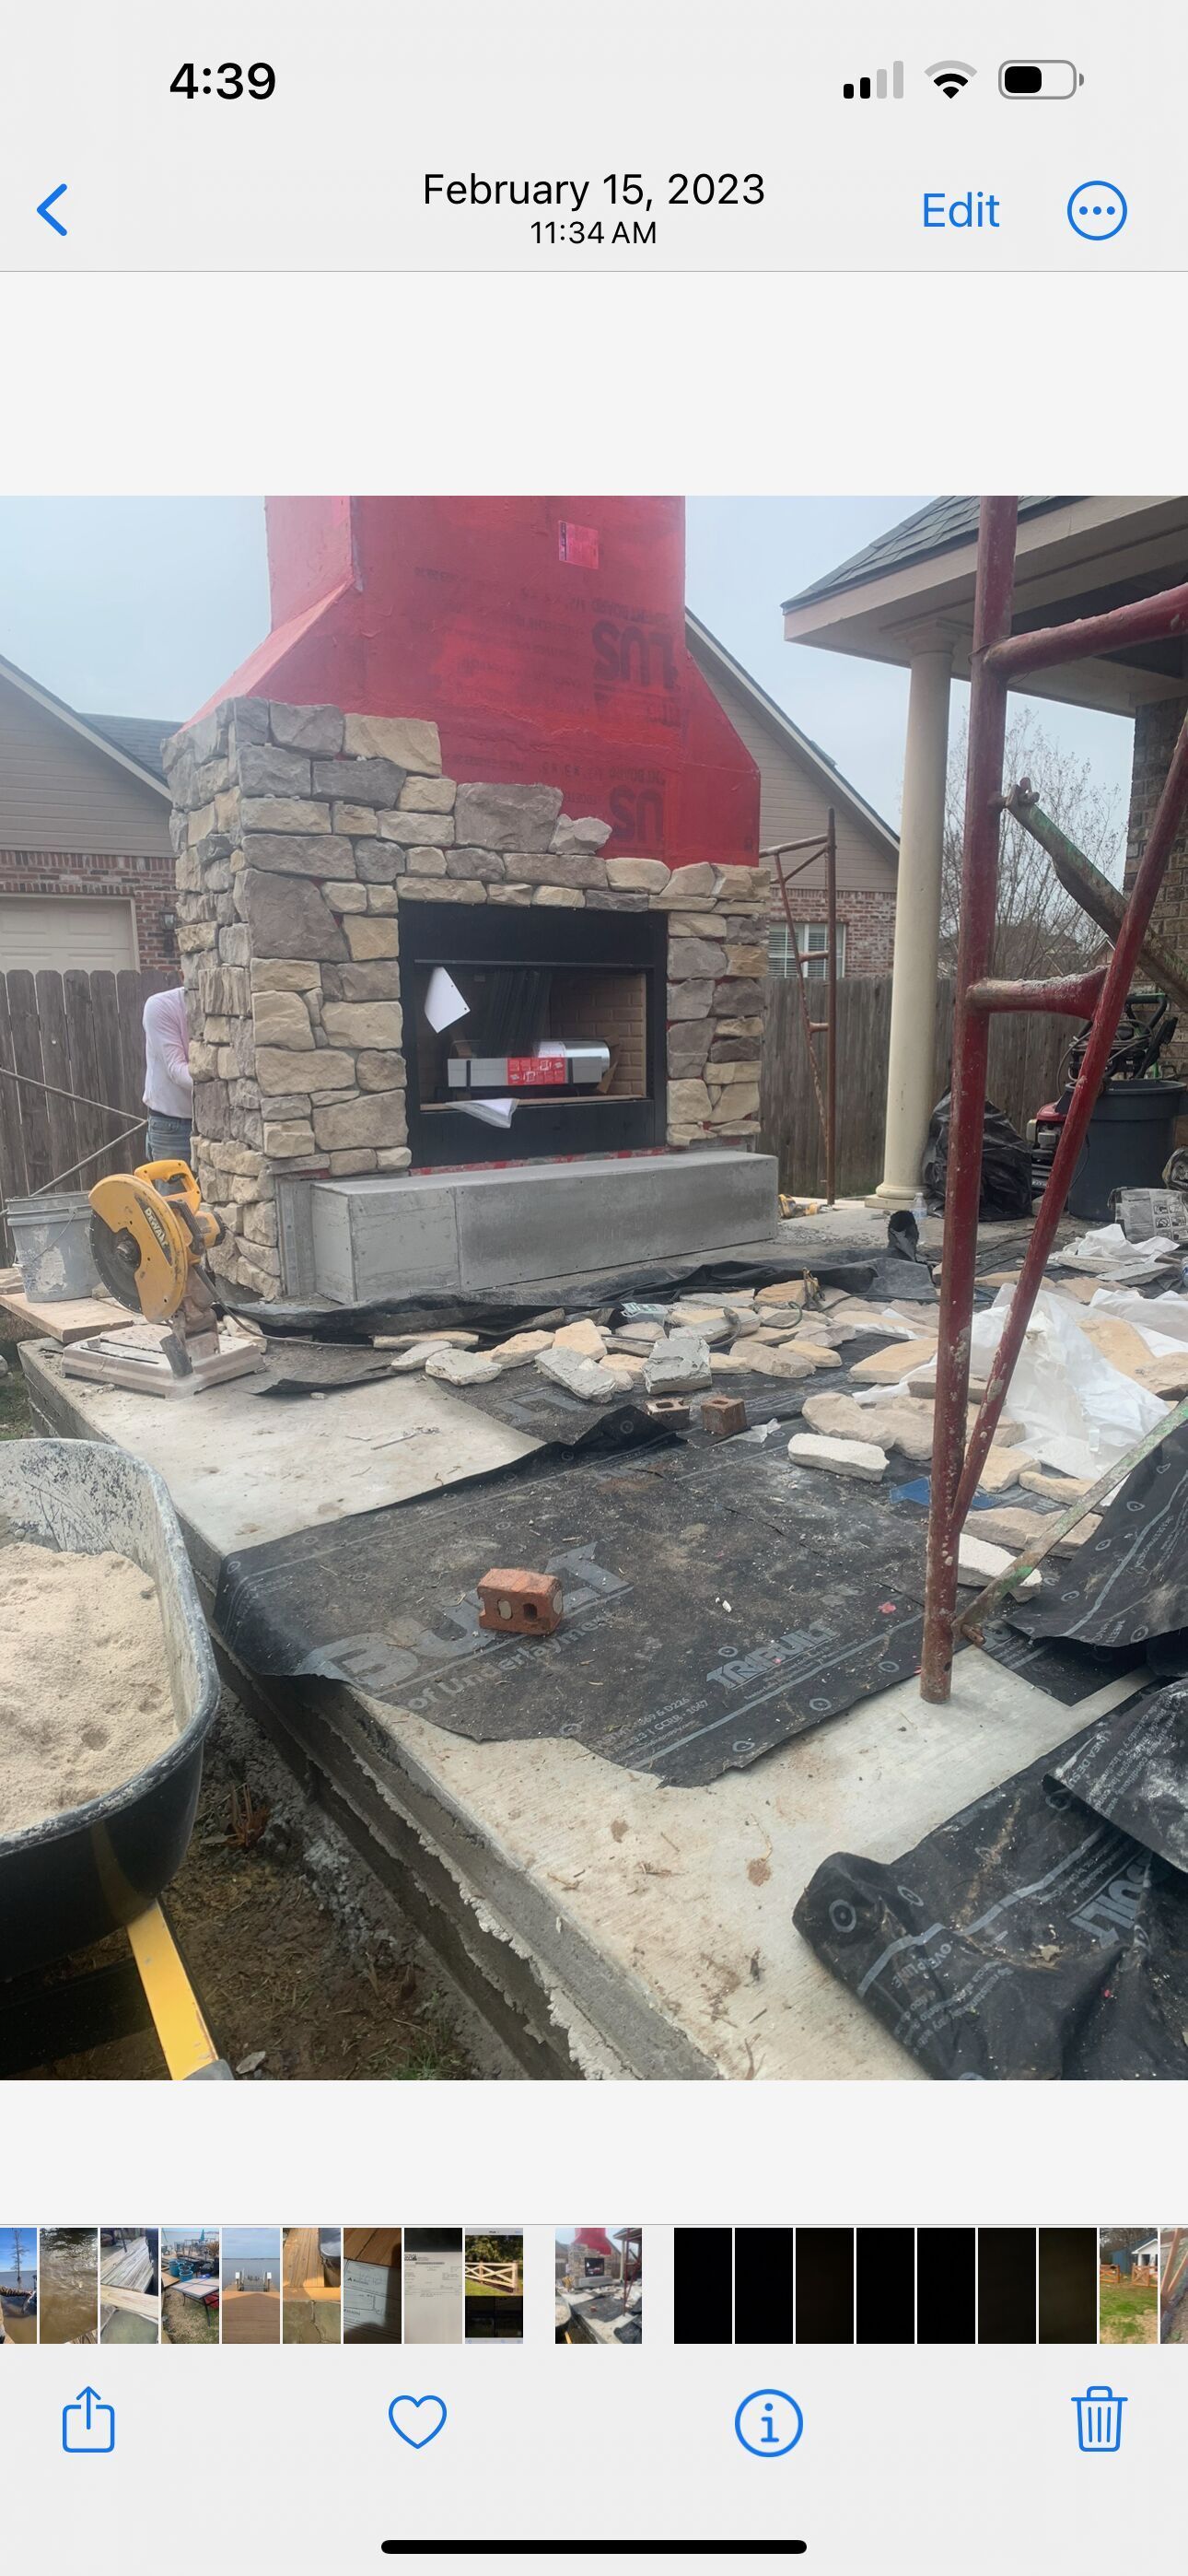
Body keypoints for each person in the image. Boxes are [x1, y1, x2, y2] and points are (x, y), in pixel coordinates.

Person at [142, 983, 193, 1165]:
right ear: (183, 975)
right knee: (176, 1196)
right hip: (172, 1128)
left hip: (215, 1124)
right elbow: (177, 1070)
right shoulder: (160, 1006)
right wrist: (223, 1079)